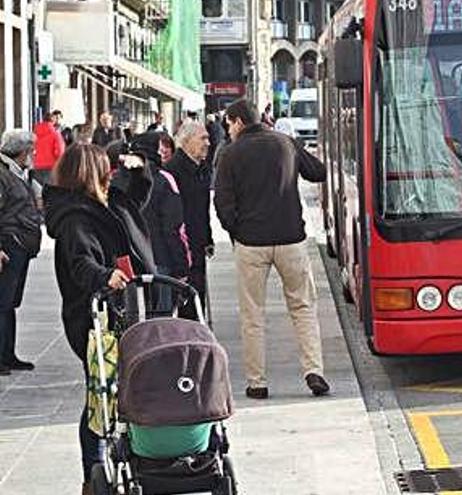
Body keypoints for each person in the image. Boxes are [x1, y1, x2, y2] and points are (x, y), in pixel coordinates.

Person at [43, 144, 155, 495]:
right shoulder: (76, 217)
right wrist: (104, 275)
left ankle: (127, 458)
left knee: (119, 389)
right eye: (106, 169)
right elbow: (81, 263)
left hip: (123, 308)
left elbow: (134, 199)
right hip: (94, 317)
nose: (111, 174)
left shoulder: (106, 203)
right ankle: (93, 471)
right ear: (94, 174)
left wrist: (137, 168)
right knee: (100, 393)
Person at [214, 98, 329, 399]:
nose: (227, 130)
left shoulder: (230, 153)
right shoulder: (285, 142)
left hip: (252, 243)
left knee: (252, 314)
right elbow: (318, 172)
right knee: (303, 307)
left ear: (238, 121)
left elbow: (222, 203)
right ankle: (313, 370)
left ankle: (257, 382)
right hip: (291, 237)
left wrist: (236, 231)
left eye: (228, 124)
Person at [132, 133, 191, 314]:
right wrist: (182, 267)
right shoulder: (164, 180)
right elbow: (174, 228)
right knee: (161, 320)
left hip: (128, 263)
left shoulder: (118, 179)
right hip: (160, 260)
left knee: (132, 319)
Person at [0, 130, 42, 374]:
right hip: (8, 245)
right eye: (31, 150)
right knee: (3, 303)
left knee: (11, 303)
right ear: (22, 152)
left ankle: (9, 354)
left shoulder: (20, 173)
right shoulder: (3, 175)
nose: (34, 154)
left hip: (20, 246)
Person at [164, 122, 213, 320]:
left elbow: (202, 210)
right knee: (188, 300)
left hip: (198, 242)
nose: (208, 143)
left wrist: (207, 238)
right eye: (203, 138)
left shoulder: (200, 168)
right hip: (182, 247)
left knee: (197, 296)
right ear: (186, 141)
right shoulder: (173, 171)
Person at [33, 111, 65, 185]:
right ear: (53, 121)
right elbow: (59, 152)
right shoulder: (55, 134)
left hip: (37, 165)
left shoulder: (34, 134)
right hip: (51, 166)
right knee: (50, 189)